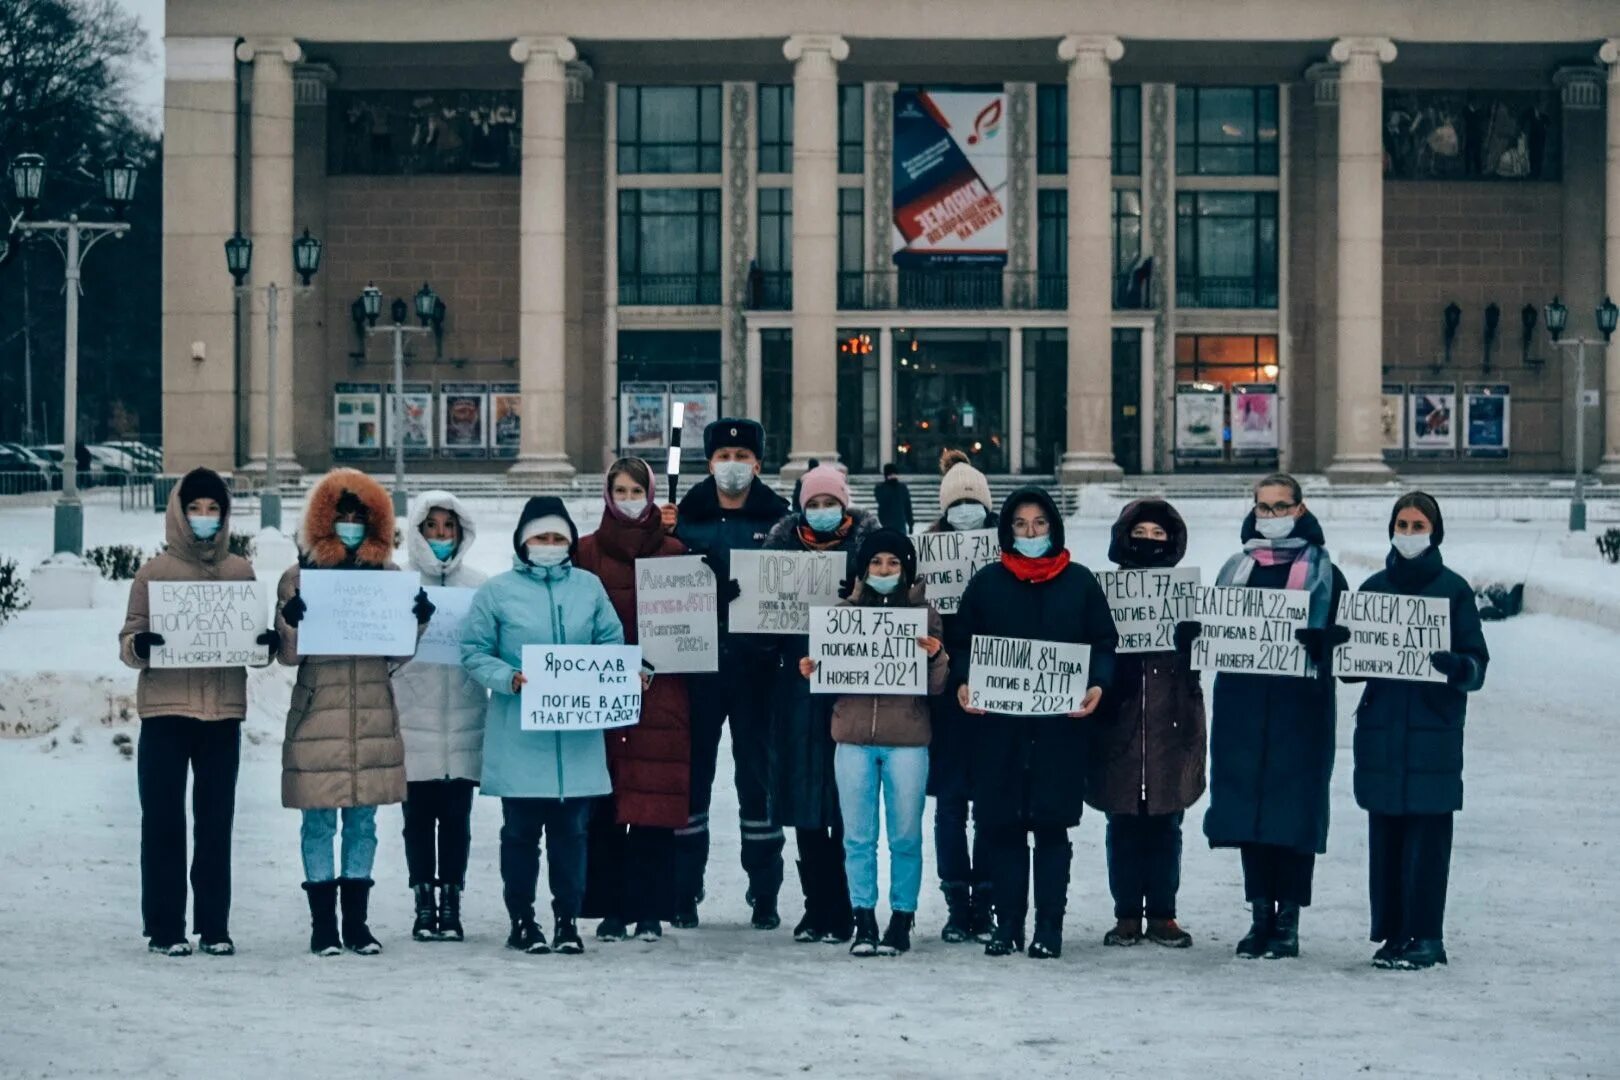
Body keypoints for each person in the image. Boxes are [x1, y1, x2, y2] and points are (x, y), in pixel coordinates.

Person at [947, 487, 1118, 960]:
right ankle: (1008, 926)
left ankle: (1049, 926)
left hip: (1060, 730)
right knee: (1001, 828)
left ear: (1054, 527)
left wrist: (1098, 685)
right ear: (1007, 531)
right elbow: (962, 642)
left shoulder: (1080, 583)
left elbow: (1104, 643)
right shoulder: (986, 583)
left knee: (1050, 828)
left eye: (1039, 524)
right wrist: (962, 680)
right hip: (998, 730)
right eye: (1021, 525)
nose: (1030, 533)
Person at [1185, 473, 1348, 961]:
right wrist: (1197, 633)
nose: (1272, 517)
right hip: (1244, 706)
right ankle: (1259, 915)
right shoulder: (1236, 568)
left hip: (1301, 710)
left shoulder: (1325, 572)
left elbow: (1353, 642)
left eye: (1281, 507)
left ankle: (1289, 921)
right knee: (1248, 811)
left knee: (1292, 814)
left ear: (1300, 509)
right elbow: (1217, 632)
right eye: (1264, 507)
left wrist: (1328, 644)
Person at [275, 468, 434, 957]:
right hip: (317, 715)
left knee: (363, 824)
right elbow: (288, 655)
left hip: (368, 715)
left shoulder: (389, 579)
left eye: (358, 518)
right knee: (319, 823)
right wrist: (291, 622)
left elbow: (397, 655)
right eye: (340, 517)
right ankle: (324, 925)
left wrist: (417, 622)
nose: (349, 526)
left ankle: (357, 924)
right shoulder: (299, 578)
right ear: (324, 520)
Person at [461, 497, 625, 956]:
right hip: (520, 738)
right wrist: (509, 679)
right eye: (541, 537)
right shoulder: (496, 592)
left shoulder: (589, 588)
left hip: (576, 739)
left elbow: (611, 641)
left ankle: (567, 919)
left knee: (572, 835)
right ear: (523, 541)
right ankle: (522, 920)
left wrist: (620, 674)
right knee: (520, 835)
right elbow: (474, 651)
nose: (549, 546)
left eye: (558, 538)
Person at [120, 467, 273, 957]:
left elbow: (254, 642)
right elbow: (128, 640)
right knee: (162, 821)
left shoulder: (239, 571)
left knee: (216, 822)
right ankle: (165, 927)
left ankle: (214, 925)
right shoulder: (154, 573)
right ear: (179, 512)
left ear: (224, 515)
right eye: (195, 508)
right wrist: (140, 644)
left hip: (222, 714)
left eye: (213, 509)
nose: (204, 517)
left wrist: (265, 644)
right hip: (165, 712)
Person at [1349, 492, 1488, 971]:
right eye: (1402, 525)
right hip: (1382, 730)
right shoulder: (1371, 589)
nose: (1409, 534)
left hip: (1433, 731)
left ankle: (1427, 935)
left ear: (1435, 531)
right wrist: (1335, 645)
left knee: (1428, 840)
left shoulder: (1454, 591)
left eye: (1417, 525)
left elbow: (1477, 664)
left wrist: (1458, 667)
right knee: (1385, 838)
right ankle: (1392, 933)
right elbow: (1350, 666)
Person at [801, 529, 948, 956]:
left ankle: (901, 918)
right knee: (858, 837)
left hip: (907, 740)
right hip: (852, 739)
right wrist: (813, 669)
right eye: (876, 563)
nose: (884, 570)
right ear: (863, 568)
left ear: (907, 569)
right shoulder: (841, 615)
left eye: (894, 563)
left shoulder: (925, 615)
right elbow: (830, 679)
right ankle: (863, 917)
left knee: (905, 836)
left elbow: (938, 687)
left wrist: (937, 656)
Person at [668, 418, 790, 929]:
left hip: (757, 669)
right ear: (709, 462)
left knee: (758, 782)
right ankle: (683, 888)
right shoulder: (687, 516)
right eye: (723, 457)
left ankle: (765, 890)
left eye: (742, 458)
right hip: (695, 669)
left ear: (758, 464)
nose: (733, 467)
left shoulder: (781, 519)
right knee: (691, 780)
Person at [577, 458, 691, 943]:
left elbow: (689, 629)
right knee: (605, 804)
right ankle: (609, 906)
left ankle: (650, 907)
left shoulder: (676, 553)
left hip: (660, 696)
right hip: (599, 694)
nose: (628, 498)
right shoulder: (583, 553)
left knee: (653, 806)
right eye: (619, 490)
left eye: (636, 490)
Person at [764, 464, 878, 944]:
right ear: (801, 508)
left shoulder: (869, 553)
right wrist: (747, 604)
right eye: (815, 504)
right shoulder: (778, 554)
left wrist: (859, 599)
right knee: (805, 804)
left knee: (846, 805)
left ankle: (851, 906)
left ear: (845, 505)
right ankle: (816, 906)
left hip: (852, 690)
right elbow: (760, 637)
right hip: (796, 694)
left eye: (831, 503)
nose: (824, 512)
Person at [1088, 499, 1206, 949]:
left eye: (1159, 535)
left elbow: (1214, 653)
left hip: (1171, 721)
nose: (1150, 542)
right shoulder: (1105, 592)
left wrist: (1195, 640)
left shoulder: (1185, 595)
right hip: (1118, 721)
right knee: (1121, 824)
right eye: (1143, 534)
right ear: (1125, 537)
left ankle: (1162, 912)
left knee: (1166, 823)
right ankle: (1126, 915)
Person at [393, 491, 488, 943]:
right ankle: (422, 901)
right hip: (413, 720)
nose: (440, 536)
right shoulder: (399, 584)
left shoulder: (479, 586)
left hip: (466, 719)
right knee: (417, 821)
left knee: (456, 820)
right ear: (417, 531)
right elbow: (384, 655)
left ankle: (451, 901)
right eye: (431, 527)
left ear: (460, 532)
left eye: (448, 527)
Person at [926, 448, 998, 942]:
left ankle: (987, 902)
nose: (965, 511)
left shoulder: (1007, 549)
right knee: (951, 806)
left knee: (992, 805)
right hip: (945, 695)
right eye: (957, 503)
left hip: (997, 691)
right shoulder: (927, 554)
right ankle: (957, 902)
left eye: (973, 502)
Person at [874, 462, 915, 534]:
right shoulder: (880, 488)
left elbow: (907, 506)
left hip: (898, 524)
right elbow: (881, 500)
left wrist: (910, 524)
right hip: (888, 524)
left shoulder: (901, 488)